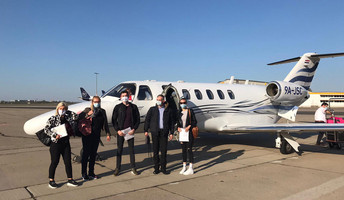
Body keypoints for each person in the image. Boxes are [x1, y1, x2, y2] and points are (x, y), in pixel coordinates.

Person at [43, 102, 79, 189]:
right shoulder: (53, 118)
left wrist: (67, 111)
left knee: (68, 162)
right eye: (60, 109)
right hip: (56, 143)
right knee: (55, 162)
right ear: (57, 109)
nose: (62, 110)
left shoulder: (68, 118)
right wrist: (54, 135)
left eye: (63, 109)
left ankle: (70, 179)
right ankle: (51, 180)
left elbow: (76, 116)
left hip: (65, 143)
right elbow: (46, 129)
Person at [79, 96, 110, 180]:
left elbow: (105, 123)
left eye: (98, 101)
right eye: (95, 101)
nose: (97, 103)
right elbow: (79, 117)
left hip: (96, 135)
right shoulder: (87, 110)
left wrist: (108, 133)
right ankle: (84, 173)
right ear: (92, 102)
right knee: (85, 155)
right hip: (87, 135)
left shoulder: (102, 111)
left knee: (93, 155)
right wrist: (87, 114)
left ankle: (91, 173)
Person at [111, 91, 140, 176]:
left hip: (130, 131)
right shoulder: (118, 107)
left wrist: (134, 129)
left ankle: (133, 167)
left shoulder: (133, 107)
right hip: (121, 132)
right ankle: (118, 168)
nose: (125, 97)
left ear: (129, 96)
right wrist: (117, 130)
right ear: (120, 97)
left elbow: (137, 119)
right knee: (119, 150)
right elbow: (114, 120)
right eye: (123, 96)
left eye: (126, 95)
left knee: (132, 150)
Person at [144, 94, 175, 175]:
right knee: (155, 151)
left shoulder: (168, 110)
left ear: (163, 101)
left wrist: (171, 132)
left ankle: (163, 168)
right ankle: (156, 168)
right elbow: (147, 120)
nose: (158, 101)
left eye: (160, 99)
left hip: (164, 132)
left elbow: (171, 122)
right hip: (155, 132)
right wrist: (146, 130)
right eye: (157, 99)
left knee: (164, 151)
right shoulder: (152, 109)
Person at [176, 97, 197, 175]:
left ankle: (191, 167)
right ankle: (184, 166)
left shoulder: (190, 111)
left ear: (186, 103)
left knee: (189, 149)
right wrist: (177, 127)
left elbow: (195, 121)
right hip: (182, 133)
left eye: (184, 102)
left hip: (189, 133)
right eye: (181, 103)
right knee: (183, 150)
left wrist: (189, 126)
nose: (182, 104)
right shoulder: (179, 112)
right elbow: (177, 122)